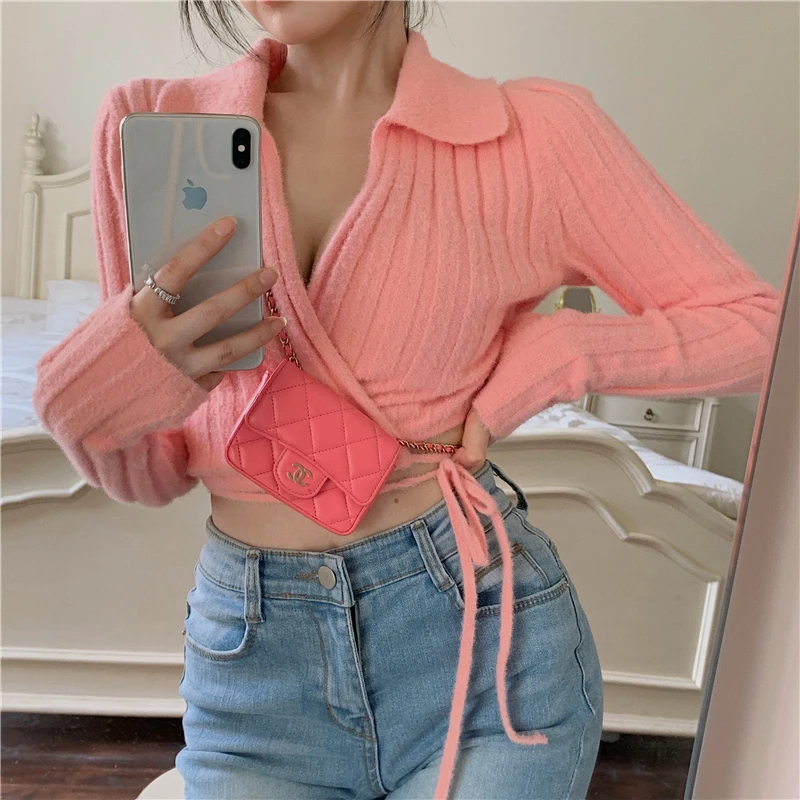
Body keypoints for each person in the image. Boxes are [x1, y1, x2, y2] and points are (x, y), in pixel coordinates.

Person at [32, 1, 781, 798]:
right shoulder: (154, 124)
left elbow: (761, 326)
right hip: (256, 683)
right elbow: (153, 474)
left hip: (483, 659)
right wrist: (91, 393)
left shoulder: (533, 136)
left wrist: (566, 352)